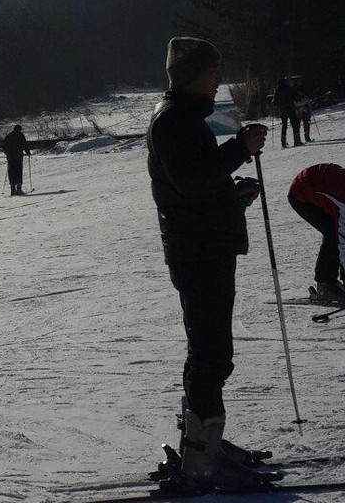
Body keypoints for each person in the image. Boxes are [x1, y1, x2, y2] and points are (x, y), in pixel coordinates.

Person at [147, 37, 268, 489]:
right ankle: (201, 456)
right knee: (210, 353)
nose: (218, 79)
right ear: (192, 75)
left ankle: (204, 443)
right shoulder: (173, 121)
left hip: (204, 246)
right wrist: (238, 148)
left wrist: (233, 196)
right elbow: (193, 182)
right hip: (198, 253)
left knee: (210, 351)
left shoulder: (184, 118)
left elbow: (196, 188)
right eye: (213, 72)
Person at [287, 163, 345, 303]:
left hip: (320, 186)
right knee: (332, 234)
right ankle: (325, 286)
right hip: (301, 195)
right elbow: (342, 241)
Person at [272, 77, 302, 148]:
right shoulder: (288, 88)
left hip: (283, 110)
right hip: (291, 109)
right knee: (294, 124)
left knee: (284, 126)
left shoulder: (277, 91)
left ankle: (283, 142)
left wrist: (275, 104)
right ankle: (296, 140)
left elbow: (274, 102)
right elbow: (296, 96)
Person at [2, 125, 31, 196]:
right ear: (19, 129)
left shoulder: (9, 136)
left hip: (10, 157)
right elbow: (24, 144)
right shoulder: (20, 135)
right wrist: (28, 152)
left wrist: (7, 153)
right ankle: (18, 189)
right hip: (18, 156)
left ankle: (12, 189)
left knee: (11, 171)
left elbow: (4, 146)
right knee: (18, 171)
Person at [293, 79, 314, 144]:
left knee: (304, 124)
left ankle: (303, 138)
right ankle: (306, 137)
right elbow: (309, 105)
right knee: (305, 124)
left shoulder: (295, 96)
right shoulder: (304, 96)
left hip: (300, 112)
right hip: (303, 112)